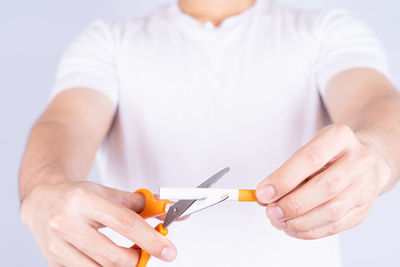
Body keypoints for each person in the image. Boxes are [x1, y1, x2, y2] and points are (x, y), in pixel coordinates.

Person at [19, 0, 400, 266]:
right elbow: (64, 124)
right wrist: (45, 187)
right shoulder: (108, 41)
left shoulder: (328, 30)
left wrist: (376, 152)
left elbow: (377, 101)